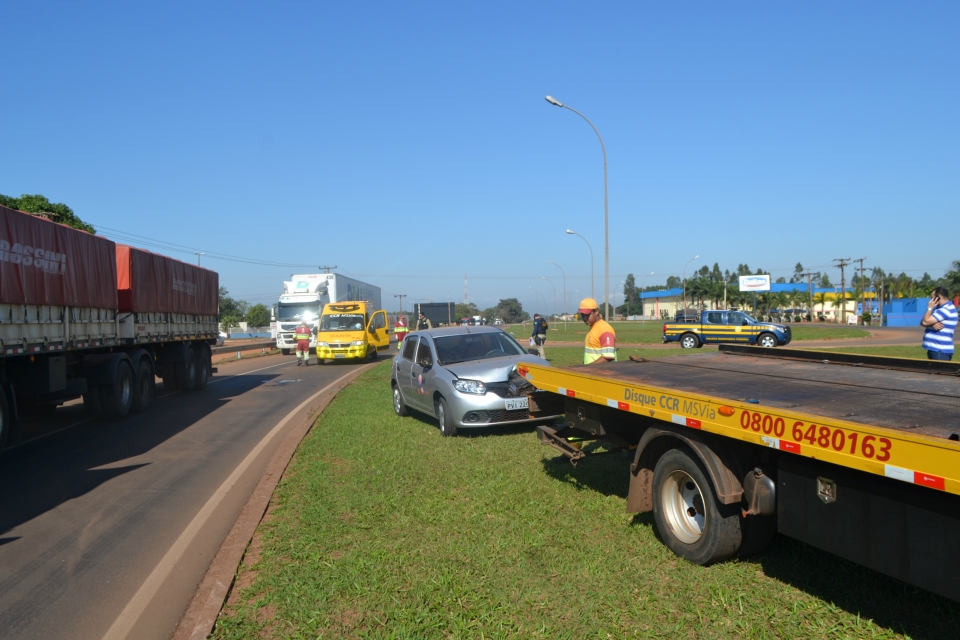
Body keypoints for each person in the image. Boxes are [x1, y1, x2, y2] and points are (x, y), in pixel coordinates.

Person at [921, 287, 957, 361]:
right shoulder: (939, 309)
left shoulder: (946, 309)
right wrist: (931, 324)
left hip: (940, 350)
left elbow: (925, 321)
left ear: (939, 297)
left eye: (932, 298)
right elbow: (922, 322)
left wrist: (929, 308)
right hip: (937, 350)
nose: (931, 300)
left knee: (938, 372)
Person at [579, 297, 616, 365]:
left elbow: (608, 357)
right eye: (582, 315)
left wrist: (588, 368)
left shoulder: (605, 329)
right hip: (592, 372)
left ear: (596, 311)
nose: (584, 318)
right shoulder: (593, 327)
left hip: (602, 373)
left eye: (587, 315)